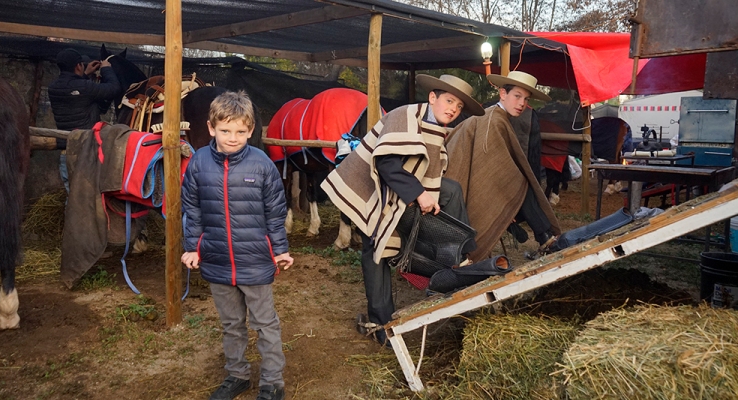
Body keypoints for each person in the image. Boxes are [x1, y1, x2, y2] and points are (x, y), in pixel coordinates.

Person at [320, 74, 485, 345]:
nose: (453, 109)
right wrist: (418, 193)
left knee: (451, 189)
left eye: (458, 106)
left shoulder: (437, 129)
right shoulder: (404, 116)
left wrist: (421, 193)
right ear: (433, 97)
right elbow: (385, 164)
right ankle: (381, 322)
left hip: (397, 185)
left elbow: (425, 170)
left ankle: (459, 252)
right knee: (376, 248)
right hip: (369, 185)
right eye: (448, 101)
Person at [181, 91, 293, 400]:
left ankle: (272, 382)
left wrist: (280, 249)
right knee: (231, 324)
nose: (233, 138)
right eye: (226, 130)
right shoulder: (198, 162)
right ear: (211, 127)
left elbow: (275, 211)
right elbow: (192, 208)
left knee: (265, 323)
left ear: (251, 130)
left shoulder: (262, 165)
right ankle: (237, 374)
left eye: (241, 132)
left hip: (255, 259)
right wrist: (194, 246)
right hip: (216, 258)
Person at [445, 71, 562, 261]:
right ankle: (544, 237)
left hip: (468, 177)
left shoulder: (498, 116)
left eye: (526, 98)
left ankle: (541, 236)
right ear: (503, 94)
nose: (522, 103)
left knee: (517, 183)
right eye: (517, 96)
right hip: (455, 179)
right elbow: (491, 164)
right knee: (519, 184)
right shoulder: (494, 119)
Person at [48, 48, 121, 192]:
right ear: (78, 66)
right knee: (91, 198)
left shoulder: (53, 88)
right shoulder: (85, 87)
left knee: (73, 197)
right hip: (87, 152)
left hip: (67, 151)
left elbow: (75, 89)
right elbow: (113, 89)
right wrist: (106, 69)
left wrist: (86, 74)